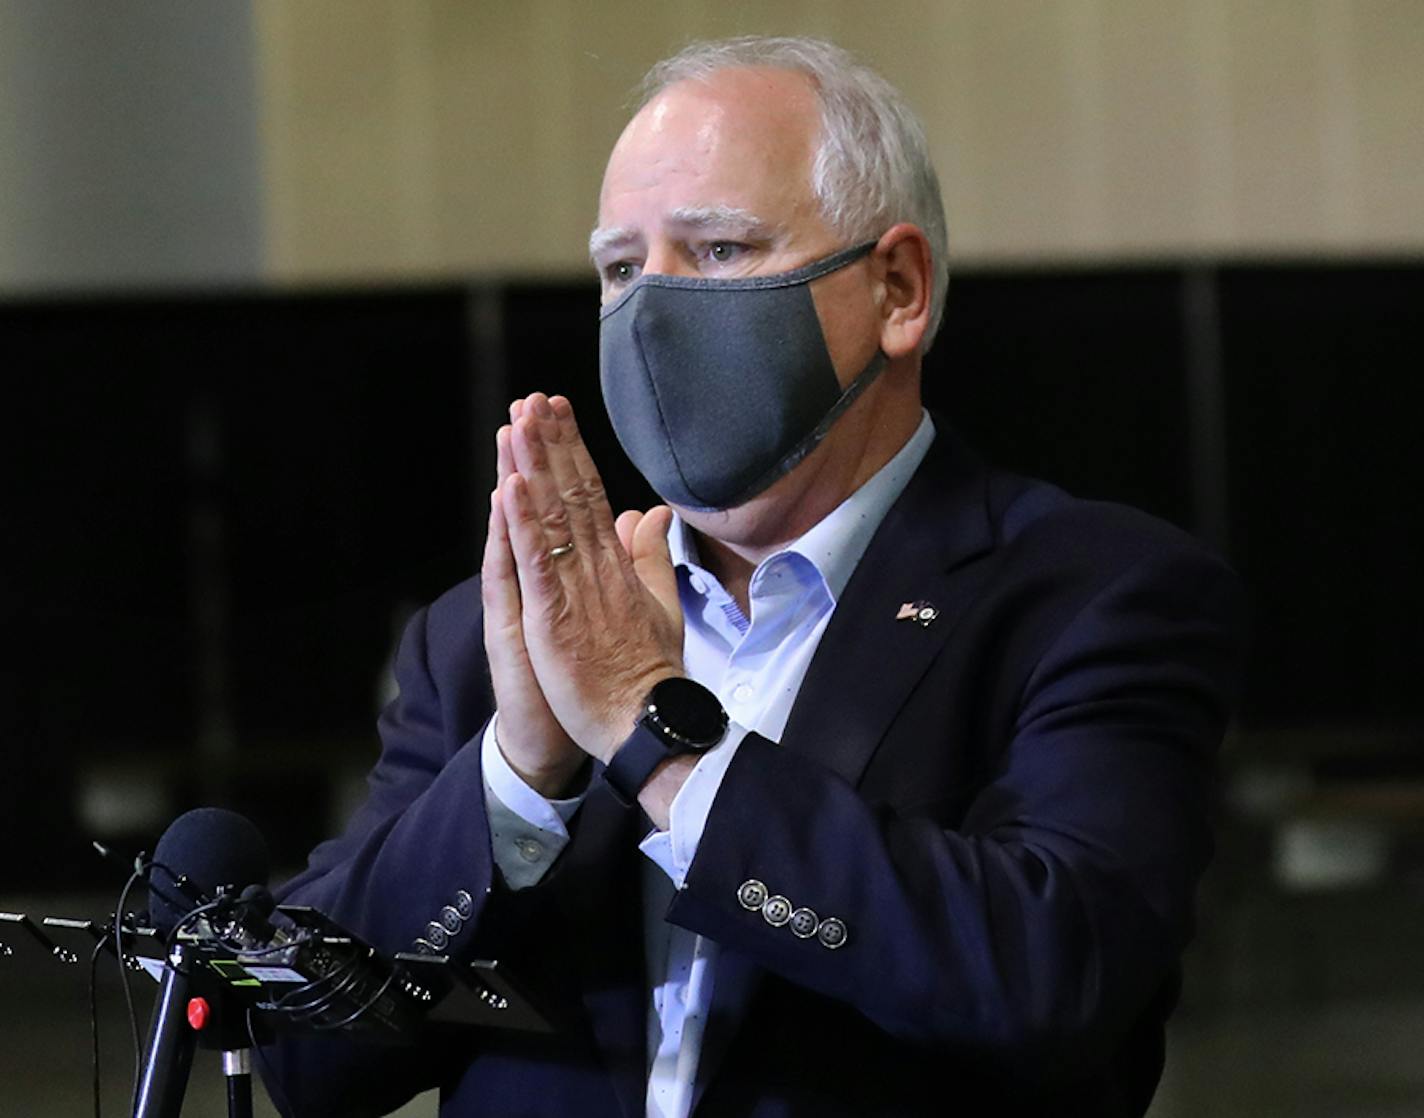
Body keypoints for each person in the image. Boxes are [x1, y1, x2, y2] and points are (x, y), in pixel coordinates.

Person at [263, 35, 1245, 1118]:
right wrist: (515, 778)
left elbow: (1051, 980)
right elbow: (307, 1057)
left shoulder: (1087, 593)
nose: (650, 314)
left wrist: (652, 730)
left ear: (898, 288)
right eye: (622, 268)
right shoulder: (489, 642)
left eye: (720, 250)